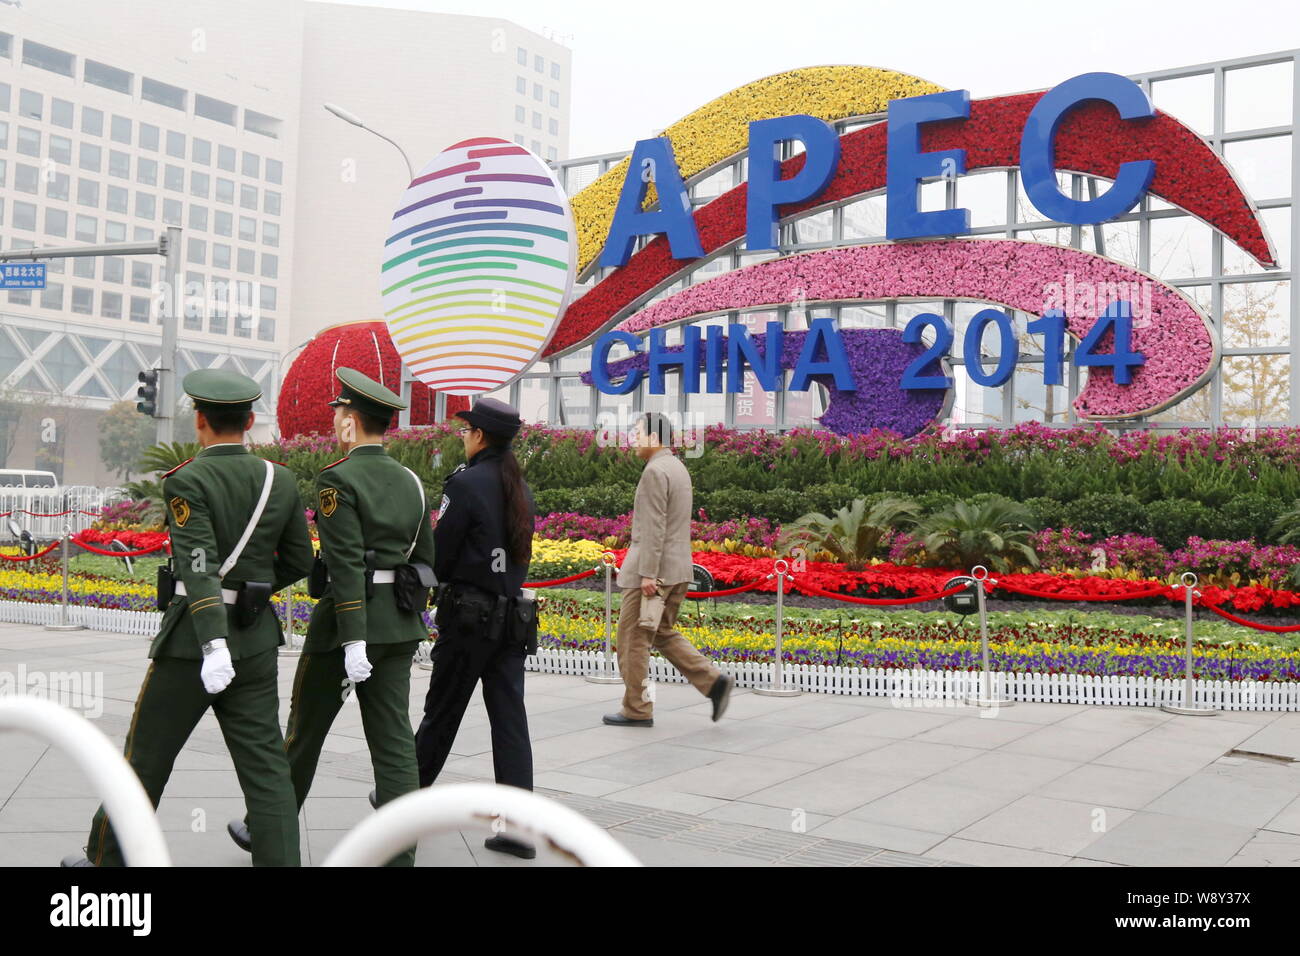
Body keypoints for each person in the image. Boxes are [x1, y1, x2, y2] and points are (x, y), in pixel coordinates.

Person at [63, 369, 313, 867]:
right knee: (267, 770)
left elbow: (197, 563)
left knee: (146, 757)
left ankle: (108, 861)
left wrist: (212, 639)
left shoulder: (188, 480)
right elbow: (301, 562)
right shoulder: (278, 480)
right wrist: (251, 595)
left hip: (191, 646)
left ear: (200, 420)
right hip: (256, 638)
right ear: (249, 421)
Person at [228, 367, 433, 867]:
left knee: (304, 732)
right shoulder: (412, 481)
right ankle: (399, 853)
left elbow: (343, 567)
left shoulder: (337, 480)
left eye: (340, 411)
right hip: (399, 626)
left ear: (352, 422)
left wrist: (354, 640)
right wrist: (408, 620)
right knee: (394, 743)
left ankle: (266, 829)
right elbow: (427, 562)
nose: (337, 419)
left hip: (345, 630)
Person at [414, 397, 538, 860]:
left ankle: (404, 800)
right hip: (511, 620)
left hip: (468, 620)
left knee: (441, 713)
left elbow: (439, 553)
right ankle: (519, 827)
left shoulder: (466, 485)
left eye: (465, 432)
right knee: (509, 723)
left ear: (479, 436)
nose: (462, 438)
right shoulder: (518, 487)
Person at [603, 412, 732, 728]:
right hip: (677, 570)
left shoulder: (654, 471)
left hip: (654, 574)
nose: (633, 438)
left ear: (653, 436)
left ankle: (637, 708)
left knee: (633, 640)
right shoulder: (677, 467)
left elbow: (653, 526)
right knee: (660, 632)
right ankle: (713, 681)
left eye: (637, 432)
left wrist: (648, 574)